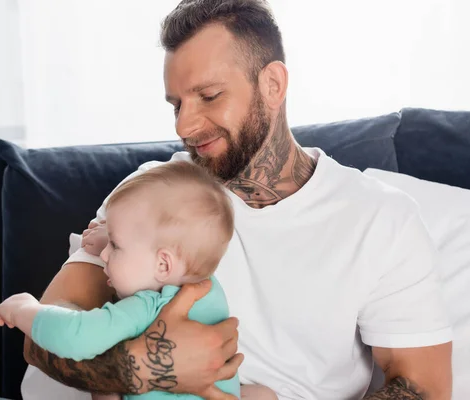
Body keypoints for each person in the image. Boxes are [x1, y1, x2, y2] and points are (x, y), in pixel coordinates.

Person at [22, 0, 453, 399]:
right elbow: (41, 335)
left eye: (209, 97)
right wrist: (149, 369)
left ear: (272, 84)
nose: (185, 126)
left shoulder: (381, 219)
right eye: (176, 105)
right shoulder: (151, 192)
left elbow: (423, 388)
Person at [0, 162, 276, 399]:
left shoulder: (146, 306)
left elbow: (75, 336)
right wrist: (116, 238)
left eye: (115, 247)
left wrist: (25, 310)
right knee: (264, 394)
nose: (104, 255)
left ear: (163, 263)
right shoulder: (208, 288)